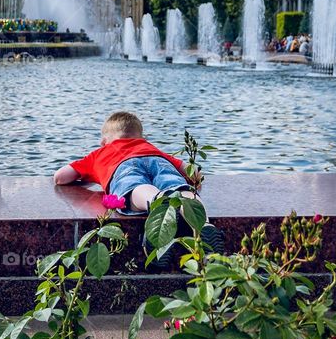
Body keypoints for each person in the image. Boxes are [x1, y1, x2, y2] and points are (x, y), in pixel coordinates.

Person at [53, 111, 224, 261]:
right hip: (160, 162)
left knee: (134, 186)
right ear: (141, 137)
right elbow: (194, 173)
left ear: (104, 141)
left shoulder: (99, 153)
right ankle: (205, 225)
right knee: (180, 188)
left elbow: (61, 177)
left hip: (122, 167)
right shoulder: (150, 147)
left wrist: (91, 175)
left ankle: (156, 201)